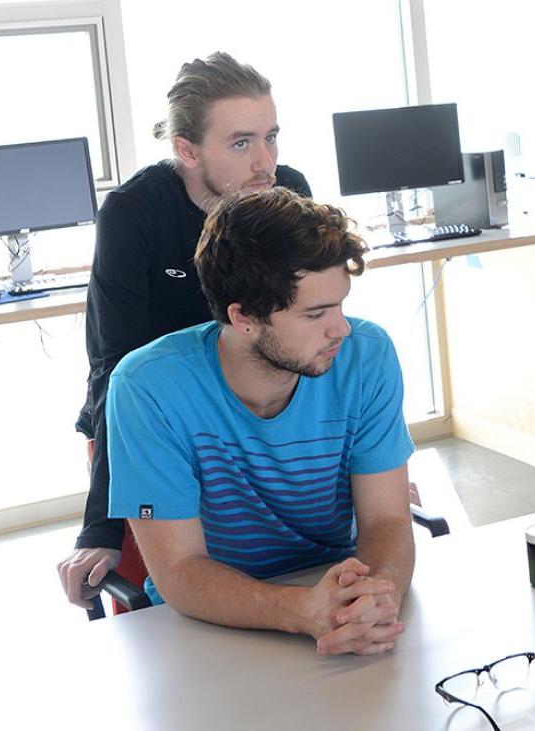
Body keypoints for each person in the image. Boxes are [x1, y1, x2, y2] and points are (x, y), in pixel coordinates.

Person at [106, 188, 416, 655]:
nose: (341, 329)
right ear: (244, 317)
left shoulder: (367, 356)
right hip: (208, 625)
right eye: (315, 313)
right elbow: (179, 569)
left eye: (340, 305)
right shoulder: (147, 386)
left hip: (335, 597)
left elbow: (388, 520)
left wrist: (371, 599)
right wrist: (302, 612)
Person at [57, 52, 311, 609]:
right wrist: (99, 527)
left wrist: (368, 476)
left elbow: (310, 335)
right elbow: (113, 369)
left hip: (253, 417)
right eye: (241, 143)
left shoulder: (286, 191)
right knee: (155, 606)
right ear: (187, 149)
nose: (265, 163)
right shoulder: (134, 213)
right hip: (143, 421)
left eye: (272, 136)